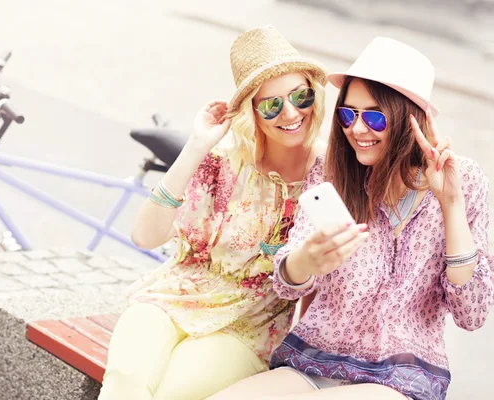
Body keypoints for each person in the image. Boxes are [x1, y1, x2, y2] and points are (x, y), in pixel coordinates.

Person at [209, 37, 494, 400]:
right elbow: (287, 281)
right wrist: (304, 262)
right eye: (348, 114)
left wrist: (451, 203)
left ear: (411, 119)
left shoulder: (462, 180)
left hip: (400, 377)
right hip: (314, 360)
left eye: (374, 116)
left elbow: (472, 313)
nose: (357, 129)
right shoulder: (331, 173)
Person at [98, 25, 329, 400]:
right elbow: (145, 236)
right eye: (272, 104)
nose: (291, 112)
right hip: (174, 296)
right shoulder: (224, 161)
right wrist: (196, 146)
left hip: (251, 324)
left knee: (172, 393)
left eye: (300, 96)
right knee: (126, 378)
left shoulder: (327, 172)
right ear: (252, 112)